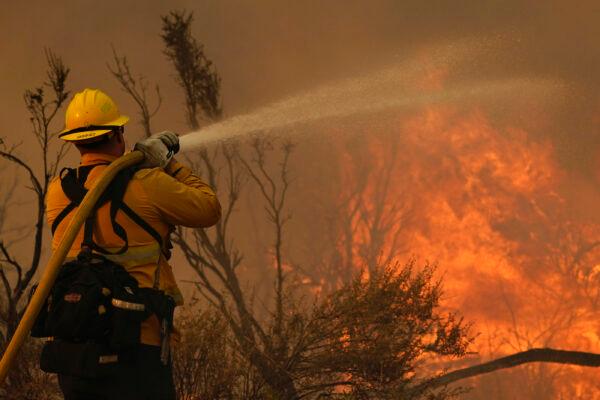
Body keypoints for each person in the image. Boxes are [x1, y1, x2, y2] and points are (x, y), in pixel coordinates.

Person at [45, 88, 221, 399]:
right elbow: (208, 208)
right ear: (118, 135)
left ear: (74, 141)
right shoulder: (148, 184)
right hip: (137, 345)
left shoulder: (57, 191)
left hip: (74, 354)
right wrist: (166, 163)